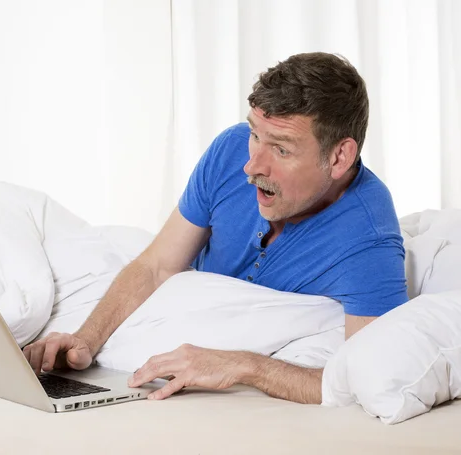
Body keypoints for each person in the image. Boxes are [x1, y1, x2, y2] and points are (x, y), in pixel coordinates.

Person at [23, 52, 408, 405]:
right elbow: (157, 265)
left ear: (339, 156)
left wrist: (245, 366)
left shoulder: (368, 236)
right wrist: (85, 341)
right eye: (255, 133)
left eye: (282, 149)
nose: (252, 166)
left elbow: (365, 377)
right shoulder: (230, 150)